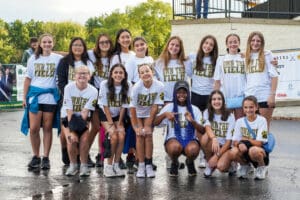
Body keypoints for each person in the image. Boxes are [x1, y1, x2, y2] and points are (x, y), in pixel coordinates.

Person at [21, 33, 63, 170]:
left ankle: (46, 157)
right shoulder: (33, 58)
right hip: (35, 95)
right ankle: (35, 156)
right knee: (33, 128)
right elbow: (28, 78)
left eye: (49, 42)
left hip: (50, 97)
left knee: (47, 127)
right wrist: (24, 97)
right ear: (40, 44)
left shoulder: (58, 59)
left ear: (53, 43)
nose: (47, 44)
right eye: (44, 42)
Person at [57, 37, 95, 167]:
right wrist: (69, 94)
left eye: (80, 45)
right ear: (71, 47)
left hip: (84, 98)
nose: (78, 47)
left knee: (83, 127)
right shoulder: (64, 62)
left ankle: (83, 155)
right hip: (68, 97)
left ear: (84, 48)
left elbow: (91, 80)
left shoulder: (88, 62)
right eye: (75, 45)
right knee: (66, 129)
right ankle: (65, 150)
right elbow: (61, 81)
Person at [154, 80, 205, 176]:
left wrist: (192, 121)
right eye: (179, 92)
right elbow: (155, 123)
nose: (181, 95)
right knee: (174, 148)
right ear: (174, 94)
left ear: (188, 94)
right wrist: (164, 115)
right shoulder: (169, 107)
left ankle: (189, 162)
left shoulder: (194, 109)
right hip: (173, 139)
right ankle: (174, 162)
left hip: (190, 139)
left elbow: (202, 130)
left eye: (184, 92)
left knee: (193, 150)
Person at [187, 35, 219, 168]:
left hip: (208, 96)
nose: (208, 46)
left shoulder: (216, 60)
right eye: (206, 43)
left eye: (211, 45)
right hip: (195, 95)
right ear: (202, 44)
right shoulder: (193, 57)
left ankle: (205, 155)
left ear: (213, 48)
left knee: (208, 126)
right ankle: (200, 153)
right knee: (197, 126)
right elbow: (187, 71)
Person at [62, 66, 98, 177]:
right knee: (71, 140)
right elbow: (69, 111)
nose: (82, 75)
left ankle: (84, 165)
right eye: (79, 73)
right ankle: (73, 165)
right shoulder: (68, 88)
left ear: (89, 76)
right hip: (68, 117)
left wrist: (80, 130)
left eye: (85, 73)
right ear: (74, 76)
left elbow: (85, 113)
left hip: (83, 118)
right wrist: (72, 131)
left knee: (84, 139)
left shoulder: (93, 91)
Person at [130, 63, 164, 178]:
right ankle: (141, 164)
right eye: (142, 72)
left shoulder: (159, 86)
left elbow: (155, 106)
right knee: (140, 136)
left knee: (148, 135)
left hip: (150, 113)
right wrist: (137, 127)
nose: (145, 74)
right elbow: (133, 108)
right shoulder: (136, 88)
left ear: (152, 72)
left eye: (147, 71)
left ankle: (149, 164)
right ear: (139, 75)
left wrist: (148, 124)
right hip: (138, 114)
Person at [98, 64, 131, 177]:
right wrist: (112, 124)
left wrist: (120, 123)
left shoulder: (128, 85)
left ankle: (116, 164)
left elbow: (123, 107)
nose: (118, 75)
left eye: (121, 72)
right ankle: (108, 166)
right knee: (114, 135)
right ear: (111, 74)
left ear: (124, 75)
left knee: (121, 135)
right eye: (115, 72)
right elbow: (105, 106)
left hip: (118, 115)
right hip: (105, 114)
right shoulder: (104, 84)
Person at [88, 33, 114, 168]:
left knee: (105, 126)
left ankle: (102, 154)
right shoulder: (91, 55)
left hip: (110, 93)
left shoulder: (114, 57)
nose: (104, 44)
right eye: (101, 42)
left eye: (107, 42)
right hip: (95, 92)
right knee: (96, 127)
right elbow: (72, 52)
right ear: (98, 44)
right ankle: (86, 154)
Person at [111, 28, 135, 169]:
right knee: (120, 127)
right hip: (121, 93)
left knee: (131, 126)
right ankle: (116, 157)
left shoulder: (133, 54)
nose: (126, 39)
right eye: (123, 37)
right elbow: (113, 75)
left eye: (128, 37)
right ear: (118, 40)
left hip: (133, 93)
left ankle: (131, 154)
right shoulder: (116, 57)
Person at [230, 95, 270, 180]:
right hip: (245, 148)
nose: (248, 110)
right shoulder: (239, 121)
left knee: (253, 150)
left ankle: (261, 167)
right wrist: (240, 143)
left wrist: (246, 139)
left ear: (256, 107)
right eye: (246, 107)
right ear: (243, 109)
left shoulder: (262, 120)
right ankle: (245, 166)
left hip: (259, 150)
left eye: (251, 107)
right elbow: (234, 140)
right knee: (233, 152)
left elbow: (259, 143)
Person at [245, 31, 278, 130]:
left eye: (258, 41)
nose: (255, 43)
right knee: (251, 127)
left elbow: (274, 76)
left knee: (264, 128)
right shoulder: (246, 57)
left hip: (264, 96)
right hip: (249, 97)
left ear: (262, 43)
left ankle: (264, 145)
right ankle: (255, 146)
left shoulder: (267, 55)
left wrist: (272, 95)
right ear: (249, 42)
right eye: (253, 40)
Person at [199, 90, 236, 177]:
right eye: (214, 99)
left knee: (222, 167)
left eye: (219, 99)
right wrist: (214, 138)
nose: (216, 101)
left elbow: (228, 142)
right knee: (205, 138)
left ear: (223, 101)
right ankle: (210, 165)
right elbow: (207, 127)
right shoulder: (206, 112)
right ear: (210, 102)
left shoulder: (230, 116)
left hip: (225, 147)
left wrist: (216, 156)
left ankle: (231, 164)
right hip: (213, 144)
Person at [214, 33, 246, 120]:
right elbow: (217, 81)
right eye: (230, 42)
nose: (233, 44)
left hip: (241, 97)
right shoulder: (221, 59)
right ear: (227, 44)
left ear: (239, 43)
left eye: (235, 42)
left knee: (240, 124)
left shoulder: (244, 59)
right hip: (225, 98)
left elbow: (259, 53)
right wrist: (216, 98)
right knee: (226, 124)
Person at [154, 36, 191, 103]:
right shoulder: (159, 63)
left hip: (181, 99)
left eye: (177, 46)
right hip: (165, 100)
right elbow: (154, 81)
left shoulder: (185, 62)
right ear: (168, 45)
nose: (174, 47)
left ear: (180, 48)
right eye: (172, 44)